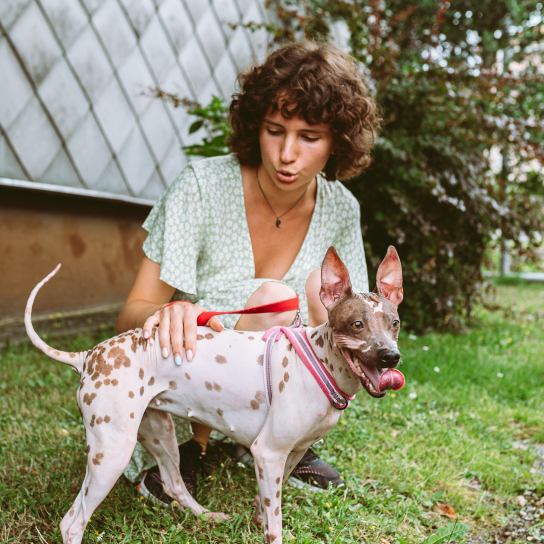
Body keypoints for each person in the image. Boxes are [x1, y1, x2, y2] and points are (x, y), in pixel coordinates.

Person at [114, 40, 380, 504]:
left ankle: (290, 439)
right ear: (255, 124)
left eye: (309, 137)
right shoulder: (201, 187)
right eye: (275, 130)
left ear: (337, 141)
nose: (286, 154)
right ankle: (192, 450)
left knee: (318, 297)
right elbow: (128, 317)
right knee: (274, 296)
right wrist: (172, 311)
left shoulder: (340, 208)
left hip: (282, 386)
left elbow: (345, 321)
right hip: (188, 380)